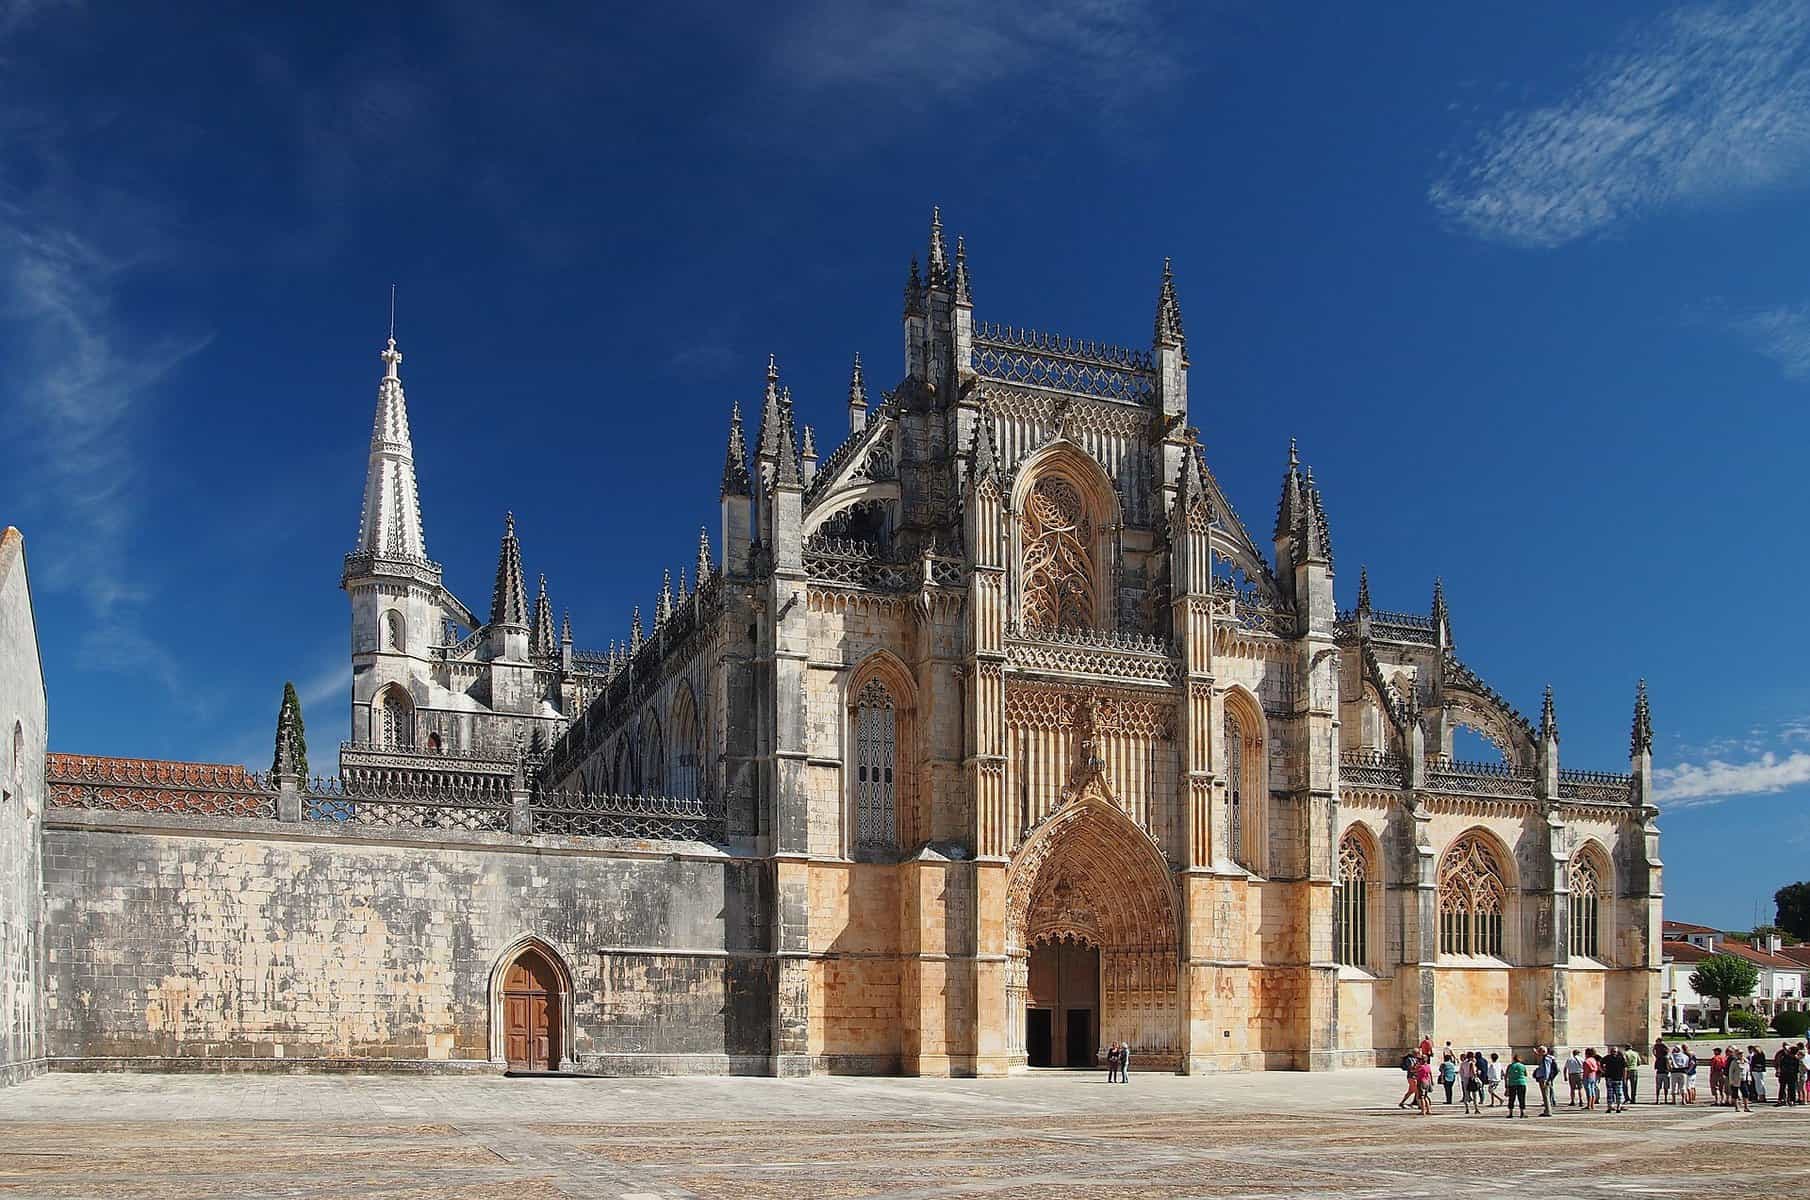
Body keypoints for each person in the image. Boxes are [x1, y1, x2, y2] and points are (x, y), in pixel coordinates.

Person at [1601, 1045, 1627, 1113]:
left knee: (1619, 1094)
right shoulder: (1607, 1058)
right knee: (1610, 1094)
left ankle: (1618, 1107)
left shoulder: (1620, 1058)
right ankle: (1610, 1107)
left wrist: (1624, 1078)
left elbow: (1625, 1068)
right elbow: (1600, 1063)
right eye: (1612, 1051)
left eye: (1615, 1051)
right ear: (1610, 1052)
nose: (1613, 1053)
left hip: (1618, 1078)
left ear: (1617, 1052)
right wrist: (1603, 1071)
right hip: (1609, 1078)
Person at [1534, 1045, 1559, 1116]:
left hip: (1544, 1079)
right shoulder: (1547, 1058)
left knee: (1546, 1096)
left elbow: (1547, 1070)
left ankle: (1548, 1111)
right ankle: (1547, 1110)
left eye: (1539, 1052)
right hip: (1545, 1079)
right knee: (1546, 1095)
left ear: (1542, 1052)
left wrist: (1546, 1079)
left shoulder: (1546, 1058)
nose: (1538, 1054)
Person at [1725, 1042, 1749, 1111]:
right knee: (1735, 1094)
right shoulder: (1734, 1062)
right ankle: (1736, 1107)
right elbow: (1731, 1072)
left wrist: (1749, 1078)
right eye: (1739, 1053)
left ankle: (1746, 1107)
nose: (1740, 1055)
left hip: (1743, 1079)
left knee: (1746, 1093)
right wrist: (1731, 1081)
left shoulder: (1746, 1061)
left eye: (1741, 1053)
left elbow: (1748, 1070)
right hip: (1736, 1080)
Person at [1504, 1053, 1529, 1118]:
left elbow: (1506, 1076)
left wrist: (1506, 1086)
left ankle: (1511, 1113)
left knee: (1511, 1098)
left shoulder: (1510, 1066)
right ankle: (1522, 1112)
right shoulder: (1522, 1066)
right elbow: (1526, 1074)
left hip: (1512, 1084)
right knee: (1521, 1098)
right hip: (1521, 1083)